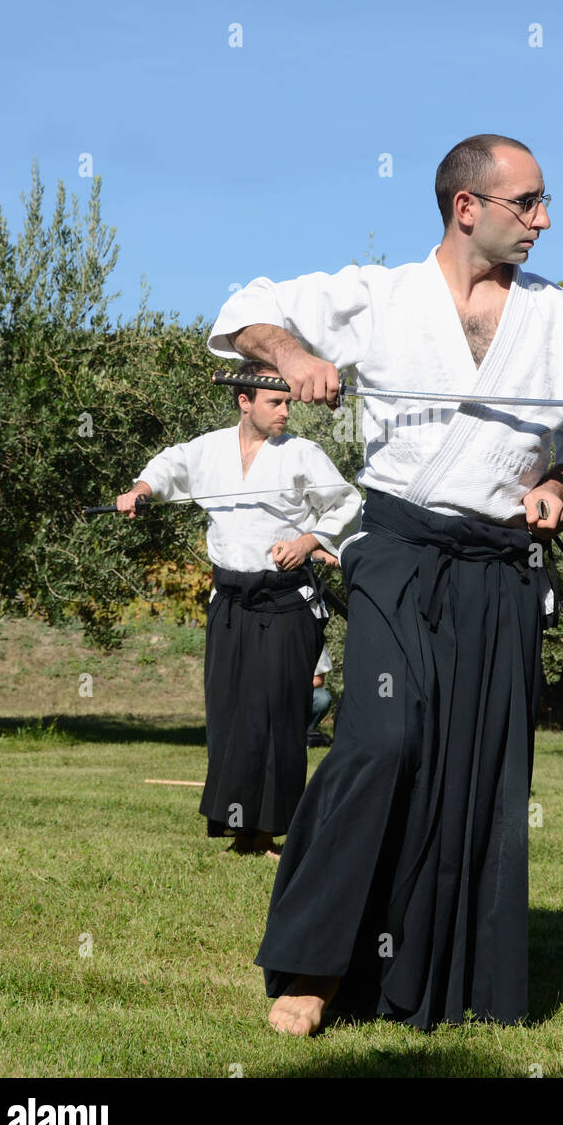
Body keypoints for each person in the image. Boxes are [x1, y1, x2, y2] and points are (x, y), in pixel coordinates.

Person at [208, 133, 563, 1031]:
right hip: (399, 554)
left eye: (546, 202)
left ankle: (458, 973)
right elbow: (246, 306)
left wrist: (558, 485)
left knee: (480, 770)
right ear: (465, 206)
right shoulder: (381, 296)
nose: (544, 220)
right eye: (528, 203)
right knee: (383, 742)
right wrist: (288, 354)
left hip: (501, 567)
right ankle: (311, 966)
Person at [116, 361, 361, 857]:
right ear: (244, 401)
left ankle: (266, 834)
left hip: (286, 603)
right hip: (229, 603)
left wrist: (308, 539)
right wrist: (141, 490)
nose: (286, 411)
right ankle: (239, 829)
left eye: (289, 401)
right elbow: (168, 467)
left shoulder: (303, 454)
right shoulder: (208, 450)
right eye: (275, 402)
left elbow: (347, 502)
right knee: (230, 715)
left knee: (276, 718)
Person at [308, 646, 333, 748]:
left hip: (302, 692)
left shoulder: (317, 642)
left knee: (323, 698)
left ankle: (306, 733)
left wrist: (296, 690)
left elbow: (319, 680)